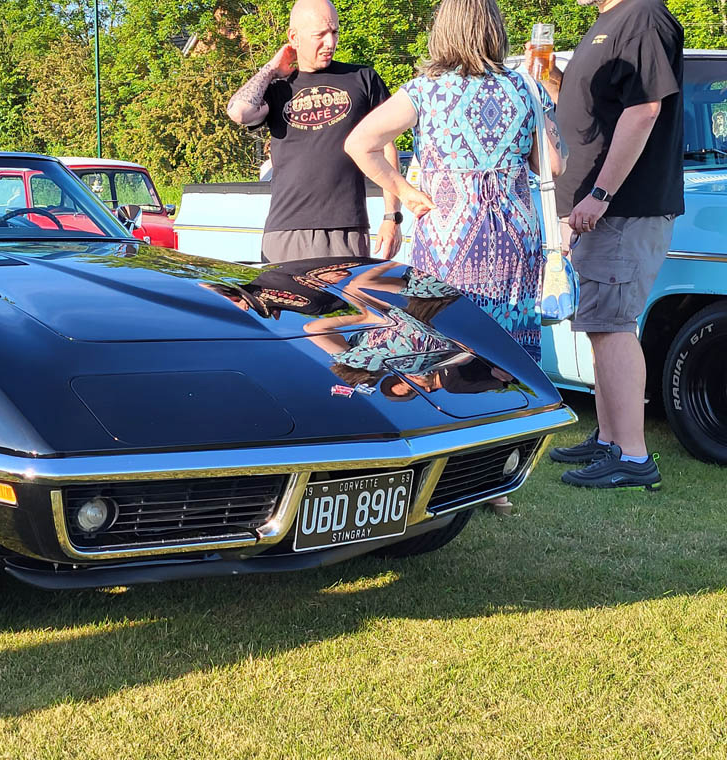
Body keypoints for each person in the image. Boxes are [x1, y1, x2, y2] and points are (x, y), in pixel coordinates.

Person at [345, 0, 564, 513]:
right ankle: (497, 480)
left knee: (438, 349)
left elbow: (361, 142)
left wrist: (401, 187)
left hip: (450, 239)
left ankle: (438, 470)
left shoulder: (425, 90)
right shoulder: (523, 87)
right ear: (495, 29)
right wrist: (545, 94)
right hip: (513, 240)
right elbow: (552, 163)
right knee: (503, 358)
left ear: (443, 31)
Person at [544, 0, 683, 492]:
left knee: (615, 326)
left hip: (624, 209)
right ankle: (607, 440)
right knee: (601, 324)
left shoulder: (642, 14)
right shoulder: (610, 21)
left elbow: (645, 108)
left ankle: (632, 455)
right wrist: (556, 82)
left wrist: (601, 194)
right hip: (603, 213)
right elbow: (602, 108)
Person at [226, 0, 402, 263]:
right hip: (286, 231)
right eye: (320, 34)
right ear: (294, 37)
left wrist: (392, 216)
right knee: (284, 305)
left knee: (345, 305)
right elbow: (239, 112)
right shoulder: (278, 88)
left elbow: (386, 147)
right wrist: (272, 68)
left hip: (347, 229)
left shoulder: (363, 78)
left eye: (335, 32)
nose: (330, 43)